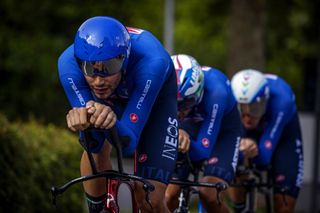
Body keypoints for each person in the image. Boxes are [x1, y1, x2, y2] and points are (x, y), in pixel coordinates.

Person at [58, 16, 178, 213]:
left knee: (151, 201)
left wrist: (111, 120)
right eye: (89, 69)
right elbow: (93, 141)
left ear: (125, 57)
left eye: (110, 67)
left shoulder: (152, 63)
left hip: (154, 103)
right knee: (93, 144)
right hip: (112, 97)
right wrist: (82, 120)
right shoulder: (67, 64)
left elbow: (128, 144)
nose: (98, 81)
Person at [165, 54, 242, 213]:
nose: (179, 111)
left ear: (199, 92)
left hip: (223, 133)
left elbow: (201, 152)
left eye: (186, 103)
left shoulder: (216, 93)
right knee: (168, 195)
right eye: (174, 103)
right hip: (188, 127)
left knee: (209, 195)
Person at [229, 69, 304, 213]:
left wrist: (253, 148)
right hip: (250, 132)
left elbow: (263, 158)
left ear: (265, 100)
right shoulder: (232, 100)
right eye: (242, 109)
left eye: (255, 109)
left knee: (283, 205)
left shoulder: (282, 100)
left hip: (284, 136)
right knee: (235, 159)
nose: (248, 116)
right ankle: (239, 208)